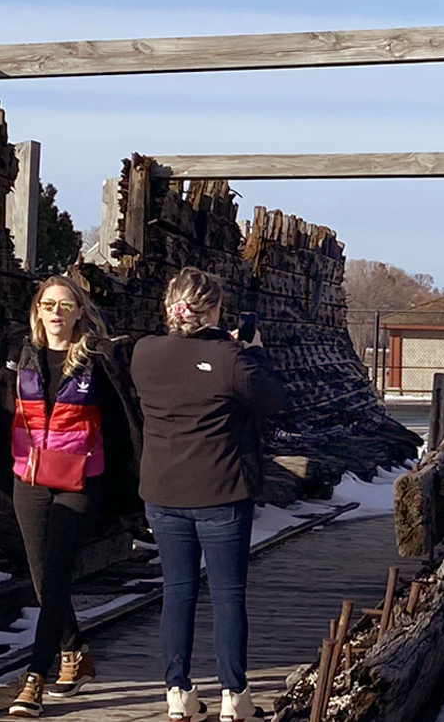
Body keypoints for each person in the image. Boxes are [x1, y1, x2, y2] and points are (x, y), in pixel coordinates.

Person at [131, 268, 285, 722]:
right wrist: (253, 353)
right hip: (221, 489)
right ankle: (234, 695)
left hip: (161, 490)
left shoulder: (143, 353)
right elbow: (273, 400)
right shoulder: (232, 358)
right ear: (216, 309)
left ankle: (177, 692)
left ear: (169, 307)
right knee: (226, 594)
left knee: (177, 591)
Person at [1, 276, 141, 719]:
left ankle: (33, 679)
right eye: (48, 305)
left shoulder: (100, 357)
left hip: (80, 479)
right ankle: (75, 651)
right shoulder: (17, 354)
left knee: (58, 573)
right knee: (43, 579)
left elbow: (125, 418)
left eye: (65, 304)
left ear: (80, 310)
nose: (56, 312)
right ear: (37, 311)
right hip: (30, 478)